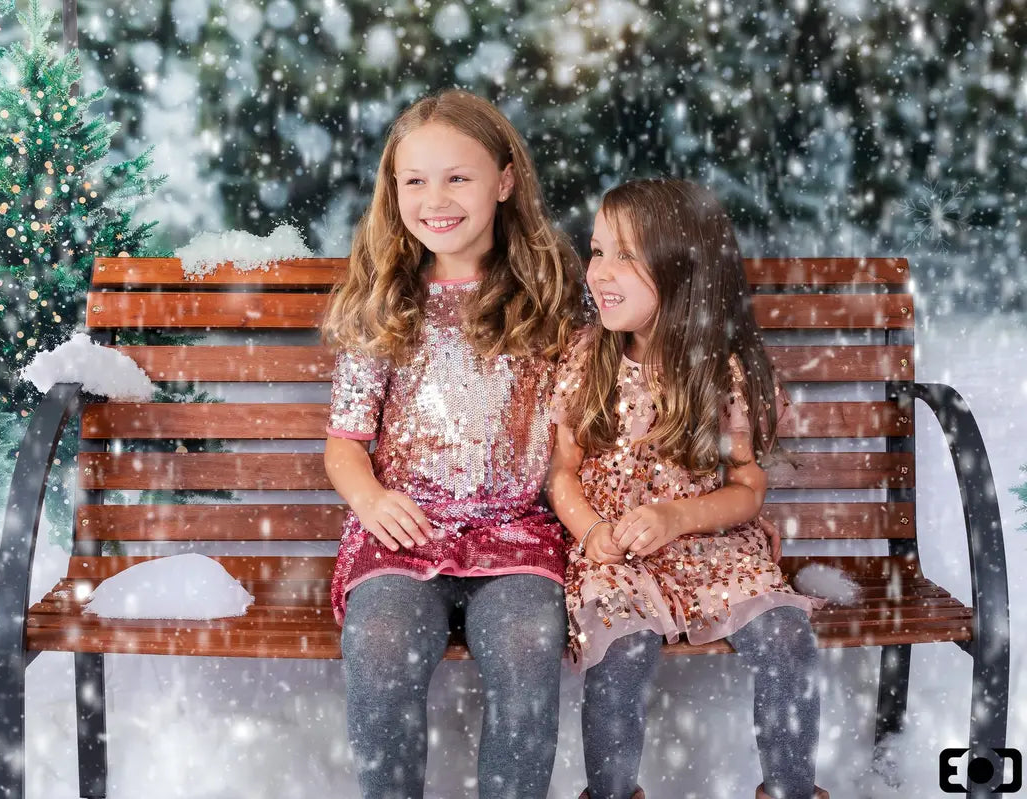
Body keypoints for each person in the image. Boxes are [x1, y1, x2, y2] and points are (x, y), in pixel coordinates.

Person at [321, 89, 587, 799]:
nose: (435, 198)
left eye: (458, 177)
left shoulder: (548, 298)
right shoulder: (385, 300)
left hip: (518, 531)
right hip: (404, 530)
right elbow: (345, 442)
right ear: (394, 190)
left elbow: (570, 437)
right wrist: (370, 497)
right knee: (380, 646)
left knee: (530, 646)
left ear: (504, 181)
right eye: (415, 180)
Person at [547, 178, 829, 799]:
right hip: (616, 553)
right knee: (623, 650)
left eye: (626, 255)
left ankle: (791, 790)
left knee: (786, 636)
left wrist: (678, 517)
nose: (600, 272)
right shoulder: (586, 359)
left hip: (709, 546)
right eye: (597, 251)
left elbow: (748, 488)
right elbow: (560, 473)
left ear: (683, 269)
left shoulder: (720, 370)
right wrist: (591, 530)